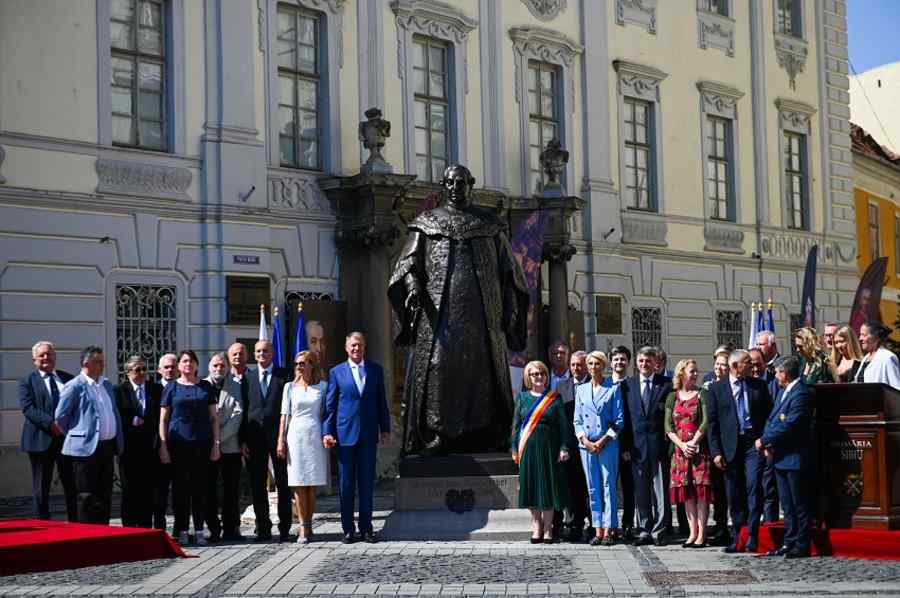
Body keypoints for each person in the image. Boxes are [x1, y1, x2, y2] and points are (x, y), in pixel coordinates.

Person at [388, 164, 528, 456]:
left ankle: (482, 435)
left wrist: (512, 306)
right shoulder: (427, 222)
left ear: (470, 184)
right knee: (440, 368)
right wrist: (413, 287)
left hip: (481, 315)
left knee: (481, 373)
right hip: (439, 315)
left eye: (461, 182)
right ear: (443, 185)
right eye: (450, 182)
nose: (455, 187)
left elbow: (510, 273)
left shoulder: (488, 224)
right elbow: (408, 263)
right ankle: (439, 434)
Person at [323, 332, 391, 544]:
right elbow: (330, 406)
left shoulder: (375, 370)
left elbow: (381, 402)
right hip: (345, 437)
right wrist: (327, 431)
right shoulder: (336, 372)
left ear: (364, 347)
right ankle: (348, 529)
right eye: (353, 345)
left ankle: (366, 528)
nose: (356, 349)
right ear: (346, 348)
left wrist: (385, 429)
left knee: (366, 484)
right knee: (345, 484)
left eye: (359, 345)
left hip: (368, 435)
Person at [706, 349, 773, 553]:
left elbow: (769, 415)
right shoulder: (716, 389)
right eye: (747, 363)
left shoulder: (758, 386)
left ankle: (752, 534)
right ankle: (738, 537)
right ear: (735, 366)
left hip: (753, 444)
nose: (752, 366)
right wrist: (716, 452)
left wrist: (766, 442)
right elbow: (713, 424)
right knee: (733, 494)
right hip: (729, 447)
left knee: (754, 487)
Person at [55, 346, 125, 524]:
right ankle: (86, 534)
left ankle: (103, 532)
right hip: (85, 449)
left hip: (106, 447)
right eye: (98, 362)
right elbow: (61, 417)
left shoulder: (106, 384)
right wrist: (77, 435)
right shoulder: (75, 386)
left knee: (105, 494)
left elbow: (112, 412)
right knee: (86, 495)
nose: (102, 365)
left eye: (102, 361)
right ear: (86, 363)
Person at [159, 350, 220, 545]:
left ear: (196, 365)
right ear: (179, 366)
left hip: (202, 445)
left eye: (191, 361)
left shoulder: (206, 386)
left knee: (200, 489)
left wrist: (216, 445)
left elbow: (214, 418)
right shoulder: (171, 388)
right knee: (180, 490)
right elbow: (163, 419)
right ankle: (183, 530)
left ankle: (200, 530)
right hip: (178, 445)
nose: (188, 364)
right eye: (184, 361)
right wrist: (163, 446)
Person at [758, 356, 814, 558]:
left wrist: (764, 440)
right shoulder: (783, 391)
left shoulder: (801, 393)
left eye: (778, 371)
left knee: (799, 504)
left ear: (786, 373)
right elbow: (773, 419)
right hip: (780, 455)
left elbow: (790, 424)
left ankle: (802, 543)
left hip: (795, 456)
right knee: (787, 505)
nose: (775, 375)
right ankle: (789, 541)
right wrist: (768, 442)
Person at [511, 360, 570, 543]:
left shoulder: (554, 397)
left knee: (548, 487)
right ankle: (536, 524)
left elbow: (563, 426)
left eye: (542, 373)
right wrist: (514, 448)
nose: (538, 377)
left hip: (549, 448)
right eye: (534, 374)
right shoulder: (522, 398)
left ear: (546, 376)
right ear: (528, 377)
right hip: (528, 448)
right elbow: (516, 426)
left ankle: (548, 528)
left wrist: (563, 447)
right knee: (532, 487)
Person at [19, 341, 77, 521]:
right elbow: (28, 409)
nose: (46, 358)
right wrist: (51, 424)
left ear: (55, 356)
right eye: (42, 355)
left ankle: (75, 521)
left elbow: (78, 404)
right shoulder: (27, 382)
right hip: (40, 439)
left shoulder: (68, 378)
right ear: (34, 360)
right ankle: (43, 524)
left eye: (49, 354)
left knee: (71, 483)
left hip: (67, 440)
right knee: (41, 487)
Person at [623, 346, 673, 546]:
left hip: (658, 448)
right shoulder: (628, 386)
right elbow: (625, 419)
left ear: (656, 364)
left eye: (649, 361)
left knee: (661, 492)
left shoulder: (666, 385)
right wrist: (626, 447)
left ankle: (660, 530)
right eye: (641, 361)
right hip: (636, 448)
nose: (645, 364)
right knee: (641, 492)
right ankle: (644, 529)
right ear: (636, 363)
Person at [278, 350, 328, 545]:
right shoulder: (289, 387)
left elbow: (326, 413)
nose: (299, 366)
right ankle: (302, 526)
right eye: (297, 363)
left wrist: (327, 434)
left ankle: (309, 522)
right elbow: (285, 415)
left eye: (303, 363)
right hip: (295, 437)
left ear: (312, 365)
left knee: (311, 484)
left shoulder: (322, 386)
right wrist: (280, 440)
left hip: (314, 436)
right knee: (298, 483)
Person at [244, 340, 291, 542]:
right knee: (257, 485)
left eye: (266, 350)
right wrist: (243, 440)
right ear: (254, 355)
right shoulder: (249, 377)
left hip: (279, 438)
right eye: (258, 351)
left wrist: (286, 437)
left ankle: (284, 528)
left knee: (283, 483)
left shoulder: (284, 375)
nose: (262, 354)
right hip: (254, 439)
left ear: (272, 353)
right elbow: (244, 410)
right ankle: (262, 528)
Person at [574, 352, 622, 546]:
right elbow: (577, 420)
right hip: (586, 446)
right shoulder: (581, 390)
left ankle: (610, 528)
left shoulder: (613, 388)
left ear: (604, 366)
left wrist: (602, 441)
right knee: (593, 487)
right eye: (590, 364)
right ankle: (598, 528)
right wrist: (585, 441)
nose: (594, 367)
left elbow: (619, 420)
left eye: (597, 364)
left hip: (607, 444)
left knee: (608, 486)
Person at [665, 359, 713, 548]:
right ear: (681, 373)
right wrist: (682, 445)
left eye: (696, 371)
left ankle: (702, 534)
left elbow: (706, 421)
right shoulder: (672, 396)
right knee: (687, 494)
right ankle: (692, 533)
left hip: (699, 451)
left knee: (701, 492)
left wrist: (693, 442)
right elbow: (668, 426)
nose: (695, 374)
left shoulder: (702, 394)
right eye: (691, 371)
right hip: (680, 452)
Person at [114, 355, 163, 528]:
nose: (142, 373)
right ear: (128, 373)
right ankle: (128, 528)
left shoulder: (155, 389)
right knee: (129, 492)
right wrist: (131, 421)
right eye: (137, 369)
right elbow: (116, 417)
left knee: (147, 492)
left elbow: (160, 416)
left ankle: (145, 527)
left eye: (144, 369)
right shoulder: (119, 391)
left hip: (150, 449)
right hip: (128, 451)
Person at [206, 351, 244, 543]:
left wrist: (219, 438)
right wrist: (212, 440)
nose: (218, 369)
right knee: (210, 489)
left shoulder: (235, 386)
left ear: (228, 368)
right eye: (215, 365)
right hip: (207, 448)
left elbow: (237, 414)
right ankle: (213, 528)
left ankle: (231, 527)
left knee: (231, 489)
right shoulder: (202, 386)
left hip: (230, 446)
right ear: (209, 367)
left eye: (222, 365)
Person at [554, 350, 590, 542]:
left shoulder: (594, 383)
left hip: (590, 444)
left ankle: (592, 524)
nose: (576, 368)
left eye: (580, 365)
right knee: (572, 487)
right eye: (574, 365)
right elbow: (561, 419)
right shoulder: (562, 386)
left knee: (589, 487)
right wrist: (564, 446)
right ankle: (574, 525)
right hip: (570, 445)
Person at [701, 348, 730, 543]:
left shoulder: (733, 386)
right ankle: (720, 526)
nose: (719, 367)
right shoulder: (708, 385)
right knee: (718, 491)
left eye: (723, 364)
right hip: (714, 445)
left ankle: (735, 526)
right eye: (717, 363)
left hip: (731, 444)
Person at [608, 346, 635, 541]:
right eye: (616, 359)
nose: (619, 362)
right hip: (606, 444)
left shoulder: (632, 386)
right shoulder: (604, 385)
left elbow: (631, 419)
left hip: (626, 447)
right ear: (610, 363)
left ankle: (627, 524)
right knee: (607, 486)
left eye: (623, 359)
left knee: (628, 487)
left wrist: (626, 447)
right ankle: (609, 525)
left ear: (628, 362)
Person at [154, 353, 178, 531]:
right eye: (166, 367)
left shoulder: (182, 387)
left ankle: (180, 528)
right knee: (159, 492)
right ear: (159, 370)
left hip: (180, 445)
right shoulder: (153, 390)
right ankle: (160, 529)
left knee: (180, 490)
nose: (170, 370)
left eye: (173, 367)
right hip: (158, 447)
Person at [856, 321, 900, 388]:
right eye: (860, 335)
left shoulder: (888, 358)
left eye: (864, 335)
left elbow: (896, 387)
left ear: (876, 338)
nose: (860, 339)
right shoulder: (865, 359)